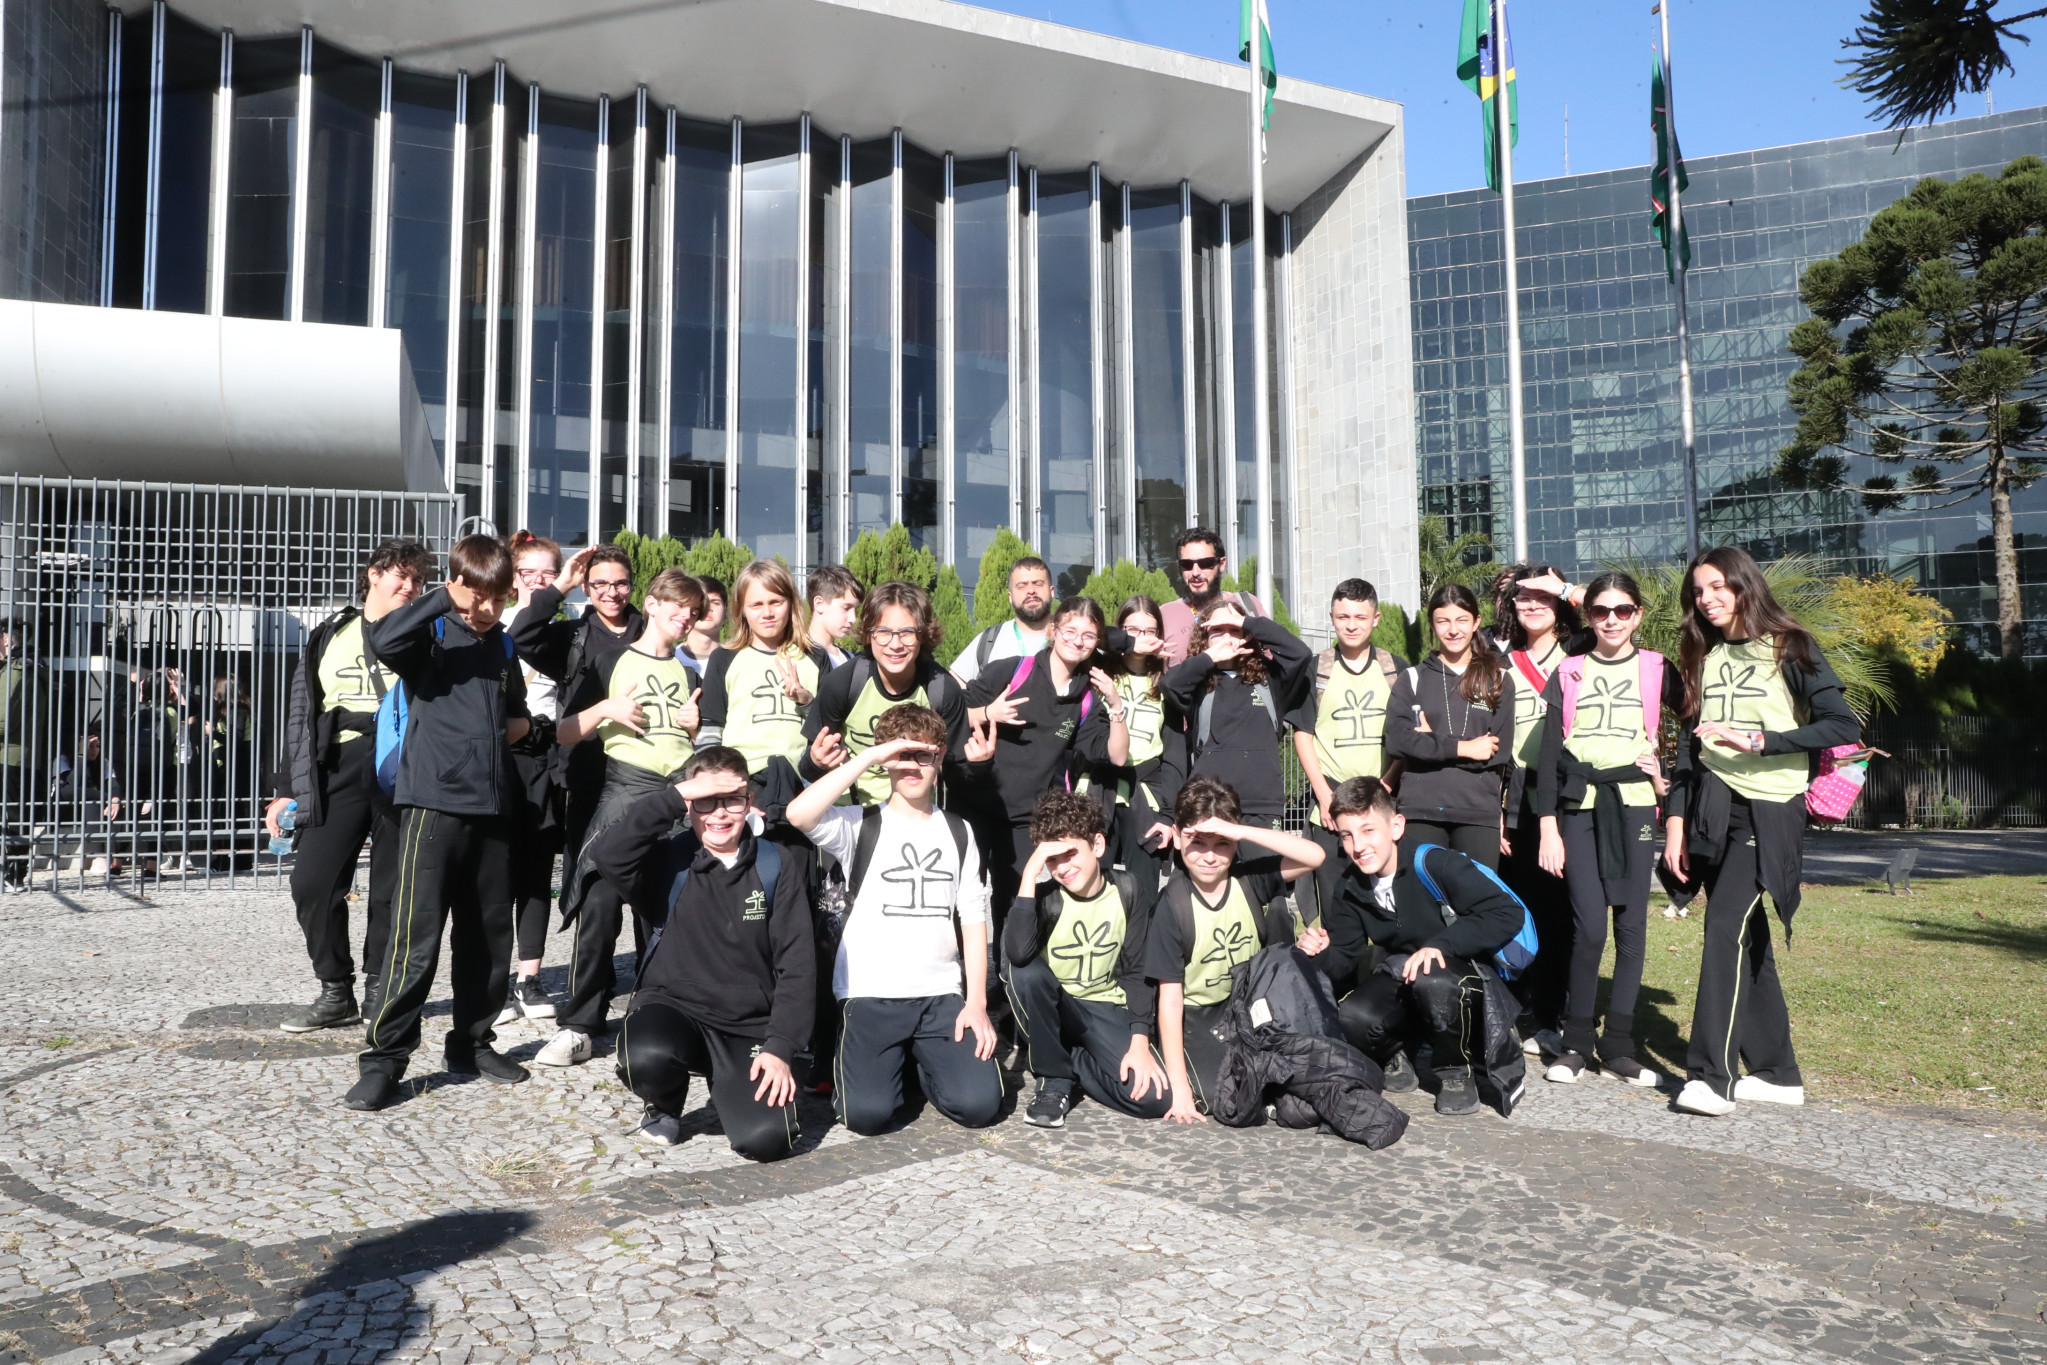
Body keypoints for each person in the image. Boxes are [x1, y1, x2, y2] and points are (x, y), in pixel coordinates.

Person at [1666, 547, 1856, 1117]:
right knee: (1748, 937)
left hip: (1769, 808)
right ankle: (1777, 1073)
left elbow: (1842, 723)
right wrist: (1674, 822)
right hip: (1710, 807)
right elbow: (1688, 748)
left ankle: (1710, 1076)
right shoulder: (1702, 653)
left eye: (1721, 586)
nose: (1709, 599)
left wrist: (1764, 741)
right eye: (1699, 590)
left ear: (1746, 585)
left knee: (1724, 926)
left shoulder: (1791, 645)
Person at [352, 535, 532, 1112]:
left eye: (497, 599)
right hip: (431, 805)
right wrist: (437, 600)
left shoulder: (503, 646)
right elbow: (382, 639)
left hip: (493, 808)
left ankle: (472, 1042)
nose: (486, 610)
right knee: (414, 937)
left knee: (486, 940)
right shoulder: (428, 635)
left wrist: (506, 738)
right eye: (475, 597)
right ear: (456, 588)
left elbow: (517, 715)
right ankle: (385, 1059)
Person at [583, 745, 815, 1160]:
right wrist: (674, 795)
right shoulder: (666, 860)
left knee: (765, 1141)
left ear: (750, 803)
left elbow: (797, 964)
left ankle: (727, 1078)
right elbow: (607, 852)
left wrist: (780, 1048)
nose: (719, 814)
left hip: (748, 1025)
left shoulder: (776, 863)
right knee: (645, 1056)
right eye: (704, 801)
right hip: (674, 1007)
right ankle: (664, 1101)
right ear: (688, 805)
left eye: (730, 800)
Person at [786, 702, 1005, 1135]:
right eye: (901, 756)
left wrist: (976, 1003)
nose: (912, 766)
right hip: (870, 994)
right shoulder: (858, 824)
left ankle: (919, 1065)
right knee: (866, 1116)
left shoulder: (960, 832)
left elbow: (973, 918)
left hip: (940, 995)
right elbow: (799, 814)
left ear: (939, 758)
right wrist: (871, 755)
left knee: (979, 1106)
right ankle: (893, 1065)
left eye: (923, 755)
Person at [538, 569, 705, 1070]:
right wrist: (605, 708)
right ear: (650, 603)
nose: (685, 616)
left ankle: (660, 1016)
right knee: (600, 910)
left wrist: (696, 731)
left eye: (693, 611)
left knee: (666, 915)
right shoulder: (609, 658)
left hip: (675, 801)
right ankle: (579, 1024)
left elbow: (694, 747)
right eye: (676, 605)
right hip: (621, 796)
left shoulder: (690, 672)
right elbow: (562, 733)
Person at [266, 538, 429, 1034]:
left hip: (403, 765)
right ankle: (335, 988)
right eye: (401, 575)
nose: (410, 586)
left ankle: (380, 987)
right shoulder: (330, 632)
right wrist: (286, 785)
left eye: (419, 580)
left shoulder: (427, 632)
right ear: (373, 574)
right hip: (338, 762)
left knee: (392, 888)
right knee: (311, 882)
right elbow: (304, 712)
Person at [1534, 571, 1679, 1088]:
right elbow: (1549, 757)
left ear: (1638, 615)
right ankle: (1576, 1041)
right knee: (1590, 926)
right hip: (1578, 807)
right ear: (1588, 616)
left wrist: (1667, 777)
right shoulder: (1569, 671)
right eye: (1601, 611)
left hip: (1635, 805)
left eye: (1623, 610)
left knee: (1631, 926)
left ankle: (1618, 1043)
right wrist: (1548, 826)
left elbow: (1699, 728)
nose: (1612, 619)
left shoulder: (1658, 668)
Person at [1312, 775, 1527, 1116]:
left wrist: (1441, 945)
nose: (1358, 846)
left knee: (1433, 978)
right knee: (1352, 1015)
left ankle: (1457, 1072)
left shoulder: (1437, 863)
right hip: (1406, 977)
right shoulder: (1349, 887)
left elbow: (1507, 913)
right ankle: (1397, 1055)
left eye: (1369, 831)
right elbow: (1344, 956)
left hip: (1463, 976)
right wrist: (1316, 955)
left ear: (1396, 826)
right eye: (1347, 835)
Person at [1145, 776, 1323, 1122]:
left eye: (1222, 844)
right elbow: (1169, 1000)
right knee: (1223, 1098)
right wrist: (1179, 1088)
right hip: (1198, 1016)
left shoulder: (1249, 879)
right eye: (1199, 843)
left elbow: (1314, 855)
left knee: (1301, 1079)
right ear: (1179, 838)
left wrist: (1242, 832)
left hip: (1248, 1009)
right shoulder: (1172, 905)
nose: (1210, 856)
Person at [1003, 791, 1172, 1127]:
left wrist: (1140, 1039)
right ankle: (1054, 1079)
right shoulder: (1044, 896)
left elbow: (1138, 969)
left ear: (1097, 845)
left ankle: (1074, 1061)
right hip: (1053, 1008)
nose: (1062, 868)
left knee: (1154, 1099)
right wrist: (1029, 874)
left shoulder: (1128, 888)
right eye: (1051, 859)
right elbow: (1017, 954)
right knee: (1027, 974)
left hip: (1104, 1008)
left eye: (1069, 853)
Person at [510, 543, 647, 942]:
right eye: (600, 583)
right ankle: (592, 982)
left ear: (632, 586)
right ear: (586, 588)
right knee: (588, 881)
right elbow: (520, 635)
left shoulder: (650, 633)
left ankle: (650, 979)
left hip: (645, 775)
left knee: (647, 879)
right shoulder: (571, 635)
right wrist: (559, 588)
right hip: (586, 775)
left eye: (620, 583)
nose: (611, 592)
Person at [963, 594, 1127, 918]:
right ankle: (964, 968)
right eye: (1070, 631)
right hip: (977, 805)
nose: (1077, 641)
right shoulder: (1012, 671)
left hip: (1028, 818)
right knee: (963, 897)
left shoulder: (1085, 699)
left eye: (1088, 636)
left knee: (1016, 904)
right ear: (1053, 630)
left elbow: (1117, 757)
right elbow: (951, 716)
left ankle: (1006, 969)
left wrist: (1116, 705)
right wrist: (988, 711)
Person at [1493, 564, 1582, 1054]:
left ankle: (1554, 1013)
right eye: (1523, 597)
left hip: (1567, 797)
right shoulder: (1501, 659)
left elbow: (1619, 618)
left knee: (1560, 910)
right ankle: (1517, 1004)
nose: (1531, 606)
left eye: (1542, 598)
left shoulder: (1581, 652)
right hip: (1514, 798)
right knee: (1517, 906)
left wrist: (1566, 589)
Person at [1288, 578, 1406, 930]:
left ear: (1376, 619)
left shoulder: (1395, 669)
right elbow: (1303, 734)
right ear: (1331, 617)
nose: (1351, 625)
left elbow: (1409, 736)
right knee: (1334, 905)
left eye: (1360, 616)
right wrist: (1324, 796)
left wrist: (1388, 783)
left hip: (1379, 798)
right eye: (1343, 617)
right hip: (1331, 803)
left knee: (1388, 905)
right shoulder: (1315, 669)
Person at [800, 581, 972, 805]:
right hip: (852, 819)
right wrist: (816, 763)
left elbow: (959, 777)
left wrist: (979, 765)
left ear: (922, 635)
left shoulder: (941, 689)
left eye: (907, 633)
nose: (895, 644)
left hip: (915, 817)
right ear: (869, 634)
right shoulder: (843, 683)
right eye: (883, 632)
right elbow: (808, 770)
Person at [1384, 583, 1515, 870]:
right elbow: (1398, 742)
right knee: (1424, 905)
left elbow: (1498, 753)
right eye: (1443, 621)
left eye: (1462, 620)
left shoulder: (1499, 679)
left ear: (1477, 622)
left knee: (1477, 905)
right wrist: (1465, 748)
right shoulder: (1412, 679)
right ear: (1432, 624)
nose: (1453, 630)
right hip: (1420, 811)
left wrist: (1429, 745)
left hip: (1478, 812)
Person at [1163, 597, 1312, 829]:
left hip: (1261, 805)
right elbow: (1169, 684)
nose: (1227, 638)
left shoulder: (1271, 679)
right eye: (1217, 631)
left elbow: (1300, 653)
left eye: (1235, 630)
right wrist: (1210, 657)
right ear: (1204, 637)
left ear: (1247, 635)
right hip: (1208, 803)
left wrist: (1248, 621)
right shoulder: (1198, 683)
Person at [500, 531, 567, 1024]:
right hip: (500, 758)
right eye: (530, 573)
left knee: (537, 874)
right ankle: (494, 980)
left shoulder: (562, 631)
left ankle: (530, 976)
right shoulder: (495, 625)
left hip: (546, 755)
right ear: (511, 577)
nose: (540, 582)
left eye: (550, 573)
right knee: (495, 875)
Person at [697, 560, 830, 790]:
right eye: (756, 605)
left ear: (791, 603)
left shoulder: (815, 657)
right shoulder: (725, 658)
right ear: (741, 610)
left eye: (776, 602)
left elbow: (831, 729)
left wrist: (807, 701)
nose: (767, 613)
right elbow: (710, 730)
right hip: (741, 781)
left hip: (803, 781)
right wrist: (716, 783)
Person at [1098, 595, 1185, 929]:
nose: (1143, 638)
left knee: (1143, 898)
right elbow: (1091, 632)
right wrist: (1128, 642)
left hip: (1145, 796)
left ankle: (1139, 977)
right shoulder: (1097, 672)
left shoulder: (1166, 684)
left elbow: (1175, 755)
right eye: (1133, 630)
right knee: (1096, 890)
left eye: (1151, 630)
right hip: (1098, 794)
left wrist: (1168, 815)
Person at [1158, 528, 1265, 666]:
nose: (1195, 572)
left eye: (1205, 563)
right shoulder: (1165, 614)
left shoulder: (1247, 604)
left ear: (1221, 564)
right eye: (1187, 565)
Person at [948, 556, 1055, 681]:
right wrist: (990, 702)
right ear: (1010, 597)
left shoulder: (1070, 639)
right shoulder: (990, 640)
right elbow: (955, 687)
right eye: (1022, 586)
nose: (1031, 591)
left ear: (1052, 591)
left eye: (1038, 584)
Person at [807, 565, 864, 669]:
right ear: (819, 604)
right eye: (846, 608)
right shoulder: (797, 656)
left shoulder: (848, 659)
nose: (853, 619)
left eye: (855, 610)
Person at [682, 575, 727, 669]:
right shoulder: (672, 659)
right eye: (701, 602)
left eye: (715, 602)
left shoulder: (737, 661)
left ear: (726, 611)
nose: (708, 608)